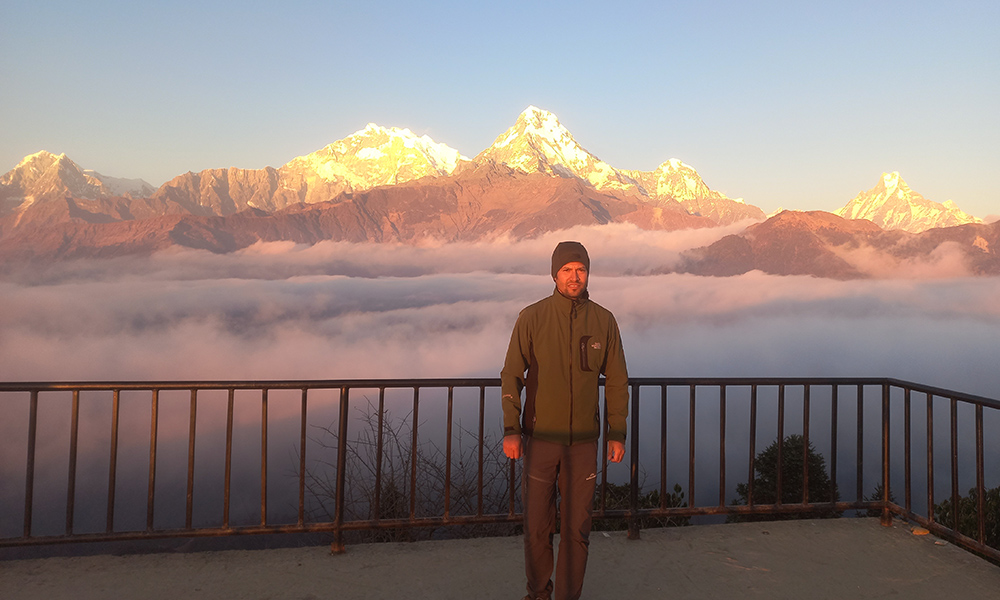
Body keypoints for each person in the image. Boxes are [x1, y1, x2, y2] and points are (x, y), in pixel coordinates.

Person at [501, 241, 629, 600]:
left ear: (588, 273)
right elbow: (512, 374)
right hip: (540, 439)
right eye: (567, 270)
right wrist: (511, 428)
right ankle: (538, 593)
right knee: (537, 528)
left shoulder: (603, 320)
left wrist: (616, 433)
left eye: (581, 269)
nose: (574, 277)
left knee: (578, 529)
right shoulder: (533, 317)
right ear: (554, 274)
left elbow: (618, 379)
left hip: (584, 443)